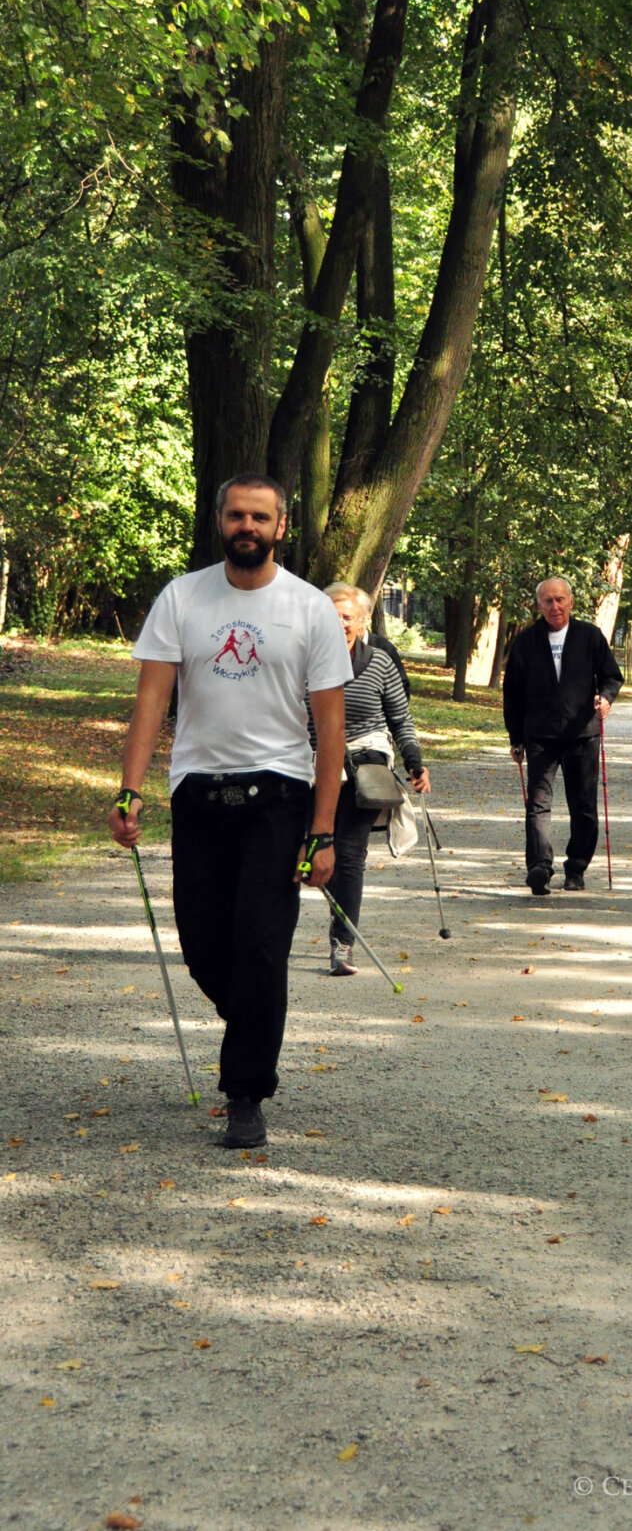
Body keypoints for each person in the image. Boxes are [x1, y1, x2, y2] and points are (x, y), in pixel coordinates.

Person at [106, 475, 352, 1149]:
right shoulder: (182, 597)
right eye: (237, 515)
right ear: (220, 520)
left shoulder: (309, 608)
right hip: (199, 795)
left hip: (277, 797)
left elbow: (330, 728)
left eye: (260, 517)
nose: (248, 526)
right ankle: (251, 1019)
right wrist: (130, 789)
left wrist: (323, 829)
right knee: (204, 945)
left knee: (262, 946)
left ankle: (246, 1093)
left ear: (281, 526)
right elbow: (152, 701)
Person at [321, 584, 430, 975]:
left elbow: (401, 719)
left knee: (349, 854)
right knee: (309, 851)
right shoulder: (303, 658)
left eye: (346, 617)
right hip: (311, 760)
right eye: (331, 615)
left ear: (362, 621)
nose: (339, 623)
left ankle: (342, 943)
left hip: (364, 761)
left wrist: (415, 763)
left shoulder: (380, 662)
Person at [503, 576, 623, 895]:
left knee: (583, 806)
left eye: (559, 599)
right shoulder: (526, 641)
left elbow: (612, 676)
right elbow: (512, 693)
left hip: (582, 733)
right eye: (547, 601)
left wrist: (606, 698)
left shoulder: (589, 636)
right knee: (538, 804)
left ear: (570, 602)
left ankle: (576, 868)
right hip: (539, 735)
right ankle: (540, 866)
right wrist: (515, 738)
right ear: (538, 605)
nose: (554, 606)